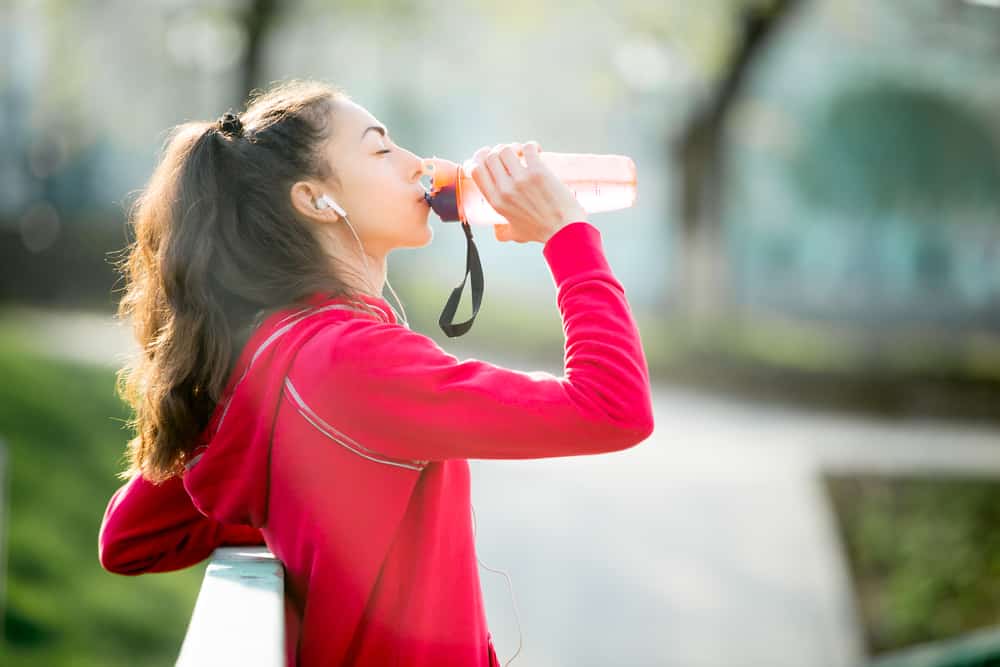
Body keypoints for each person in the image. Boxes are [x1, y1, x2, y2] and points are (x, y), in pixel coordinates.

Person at [97, 78, 655, 667]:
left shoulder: (265, 357)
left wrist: (315, 528)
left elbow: (130, 537)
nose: (421, 164)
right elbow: (613, 408)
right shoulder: (355, 362)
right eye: (381, 148)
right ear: (316, 200)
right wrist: (567, 236)